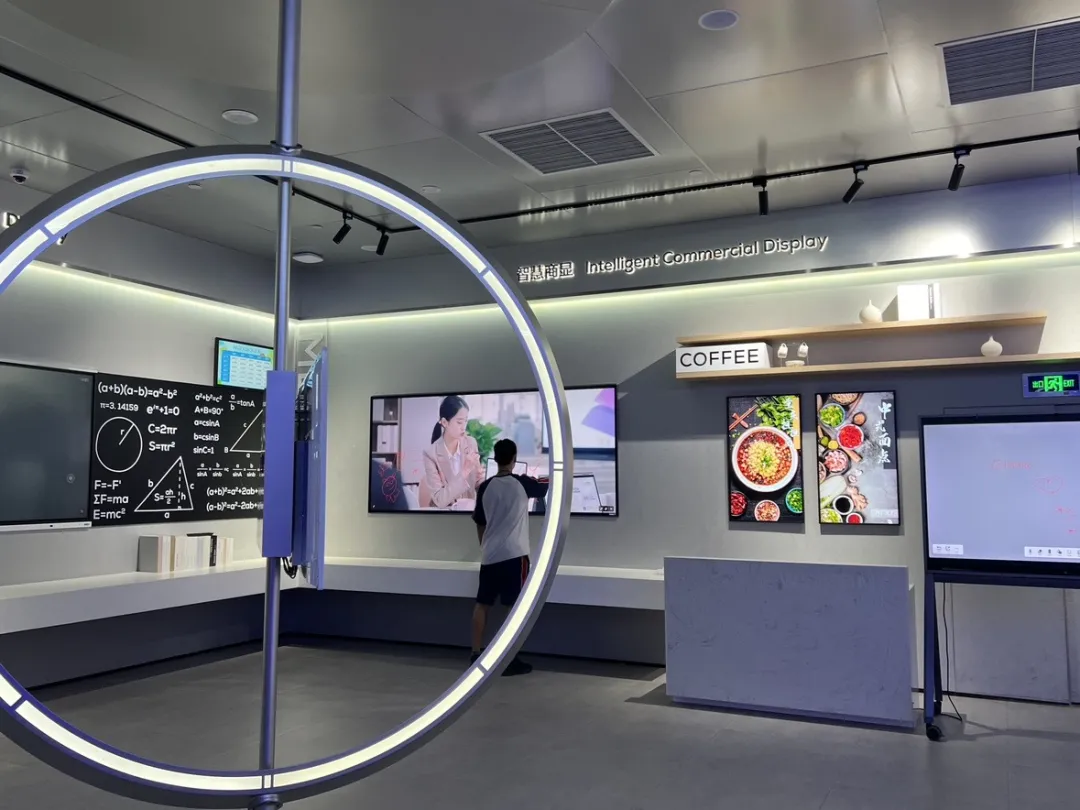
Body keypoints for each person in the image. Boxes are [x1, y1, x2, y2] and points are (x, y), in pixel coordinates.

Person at [470, 438, 549, 675]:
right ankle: (507, 658)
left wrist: (485, 546)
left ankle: (475, 653)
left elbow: (480, 522)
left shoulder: (485, 487)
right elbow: (545, 485)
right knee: (513, 609)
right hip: (515, 556)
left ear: (495, 459)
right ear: (514, 459)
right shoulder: (522, 483)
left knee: (482, 604)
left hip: (490, 555)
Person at [421, 395, 484, 509]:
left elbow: (478, 484)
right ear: (444, 422)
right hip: (446, 515)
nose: (463, 427)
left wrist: (484, 478)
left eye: (465, 421)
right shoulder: (430, 454)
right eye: (459, 422)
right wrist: (464, 471)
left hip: (469, 513)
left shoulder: (471, 443)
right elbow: (440, 500)